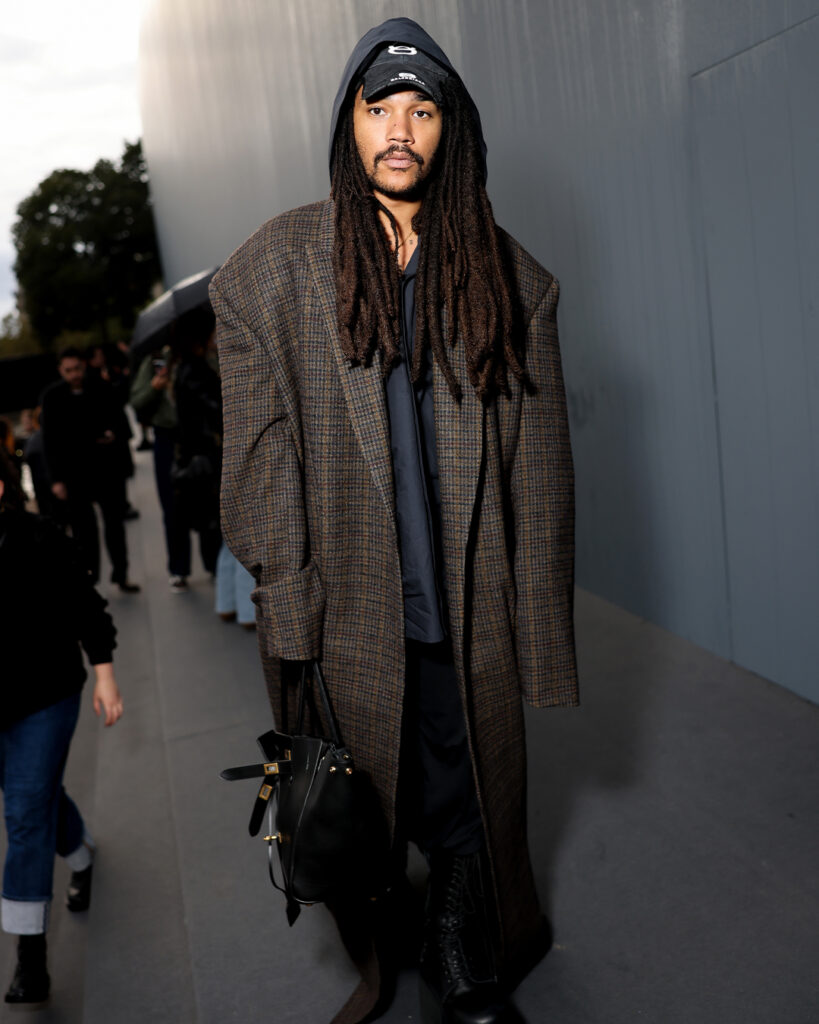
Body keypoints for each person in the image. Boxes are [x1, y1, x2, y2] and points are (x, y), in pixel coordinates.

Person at [210, 18, 577, 1024]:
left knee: (466, 787)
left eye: (425, 108)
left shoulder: (512, 280)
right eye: (382, 108)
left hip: (471, 603)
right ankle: (387, 947)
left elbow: (541, 476)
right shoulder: (270, 273)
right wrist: (289, 602)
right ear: (350, 124)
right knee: (359, 796)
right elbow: (257, 459)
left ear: (452, 132)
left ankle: (471, 952)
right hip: (346, 604)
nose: (402, 128)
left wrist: (539, 633)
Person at [0, 449, 123, 1007]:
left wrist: (105, 676)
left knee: (25, 811)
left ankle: (30, 957)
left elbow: (85, 606)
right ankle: (82, 854)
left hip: (45, 697)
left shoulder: (39, 538)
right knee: (35, 793)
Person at [39, 347, 140, 593]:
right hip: (75, 474)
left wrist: (111, 436)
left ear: (83, 367)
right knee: (84, 532)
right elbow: (49, 441)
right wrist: (56, 480)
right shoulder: (52, 397)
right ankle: (90, 581)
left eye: (77, 369)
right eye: (68, 370)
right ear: (61, 371)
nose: (74, 374)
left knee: (114, 526)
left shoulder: (101, 388)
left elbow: (121, 424)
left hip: (107, 470)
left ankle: (121, 575)